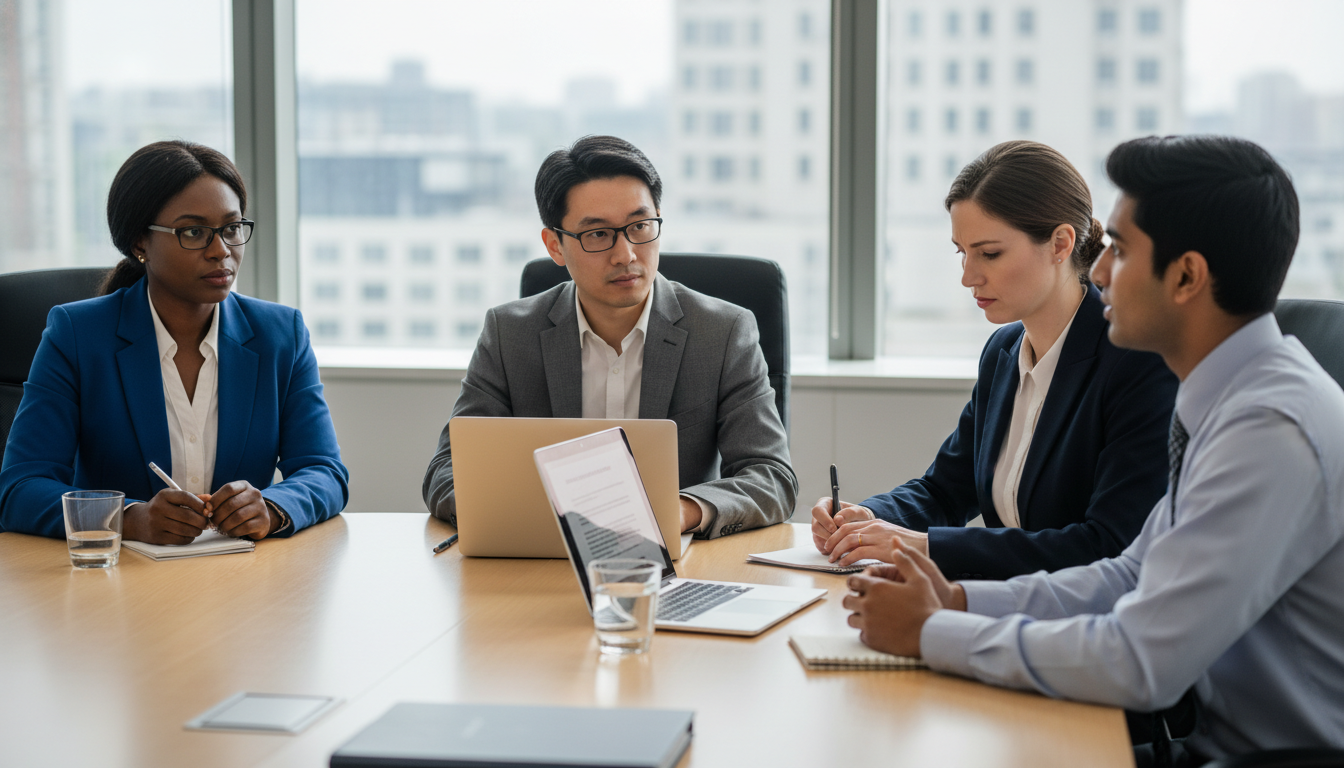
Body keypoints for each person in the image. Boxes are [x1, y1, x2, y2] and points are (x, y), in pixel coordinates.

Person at [844, 135, 1344, 763]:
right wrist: (959, 600)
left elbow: (1141, 659)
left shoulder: (1271, 427)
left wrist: (934, 632)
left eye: (1123, 251)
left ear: (1186, 276)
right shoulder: (1230, 400)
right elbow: (1129, 574)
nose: (1100, 269)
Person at [813, 140, 1177, 579]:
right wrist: (866, 519)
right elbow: (946, 490)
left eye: (989, 253)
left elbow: (1108, 544)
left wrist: (925, 547)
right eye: (961, 252)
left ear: (1060, 243)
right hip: (1003, 607)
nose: (968, 276)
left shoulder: (1137, 362)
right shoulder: (1003, 351)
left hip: (1080, 625)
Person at [423, 135, 796, 538]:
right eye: (598, 234)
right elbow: (447, 471)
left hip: (673, 566)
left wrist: (683, 510)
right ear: (555, 245)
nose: (626, 254)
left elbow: (771, 477)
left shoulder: (722, 333)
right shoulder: (510, 333)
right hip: (543, 560)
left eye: (640, 227)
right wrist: (530, 515)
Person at [0, 140, 348, 542]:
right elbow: (19, 488)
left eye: (232, 229)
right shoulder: (77, 335)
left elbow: (324, 471)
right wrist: (129, 518)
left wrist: (272, 507)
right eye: (194, 232)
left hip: (240, 579)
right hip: (116, 583)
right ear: (139, 243)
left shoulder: (280, 334)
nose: (221, 252)